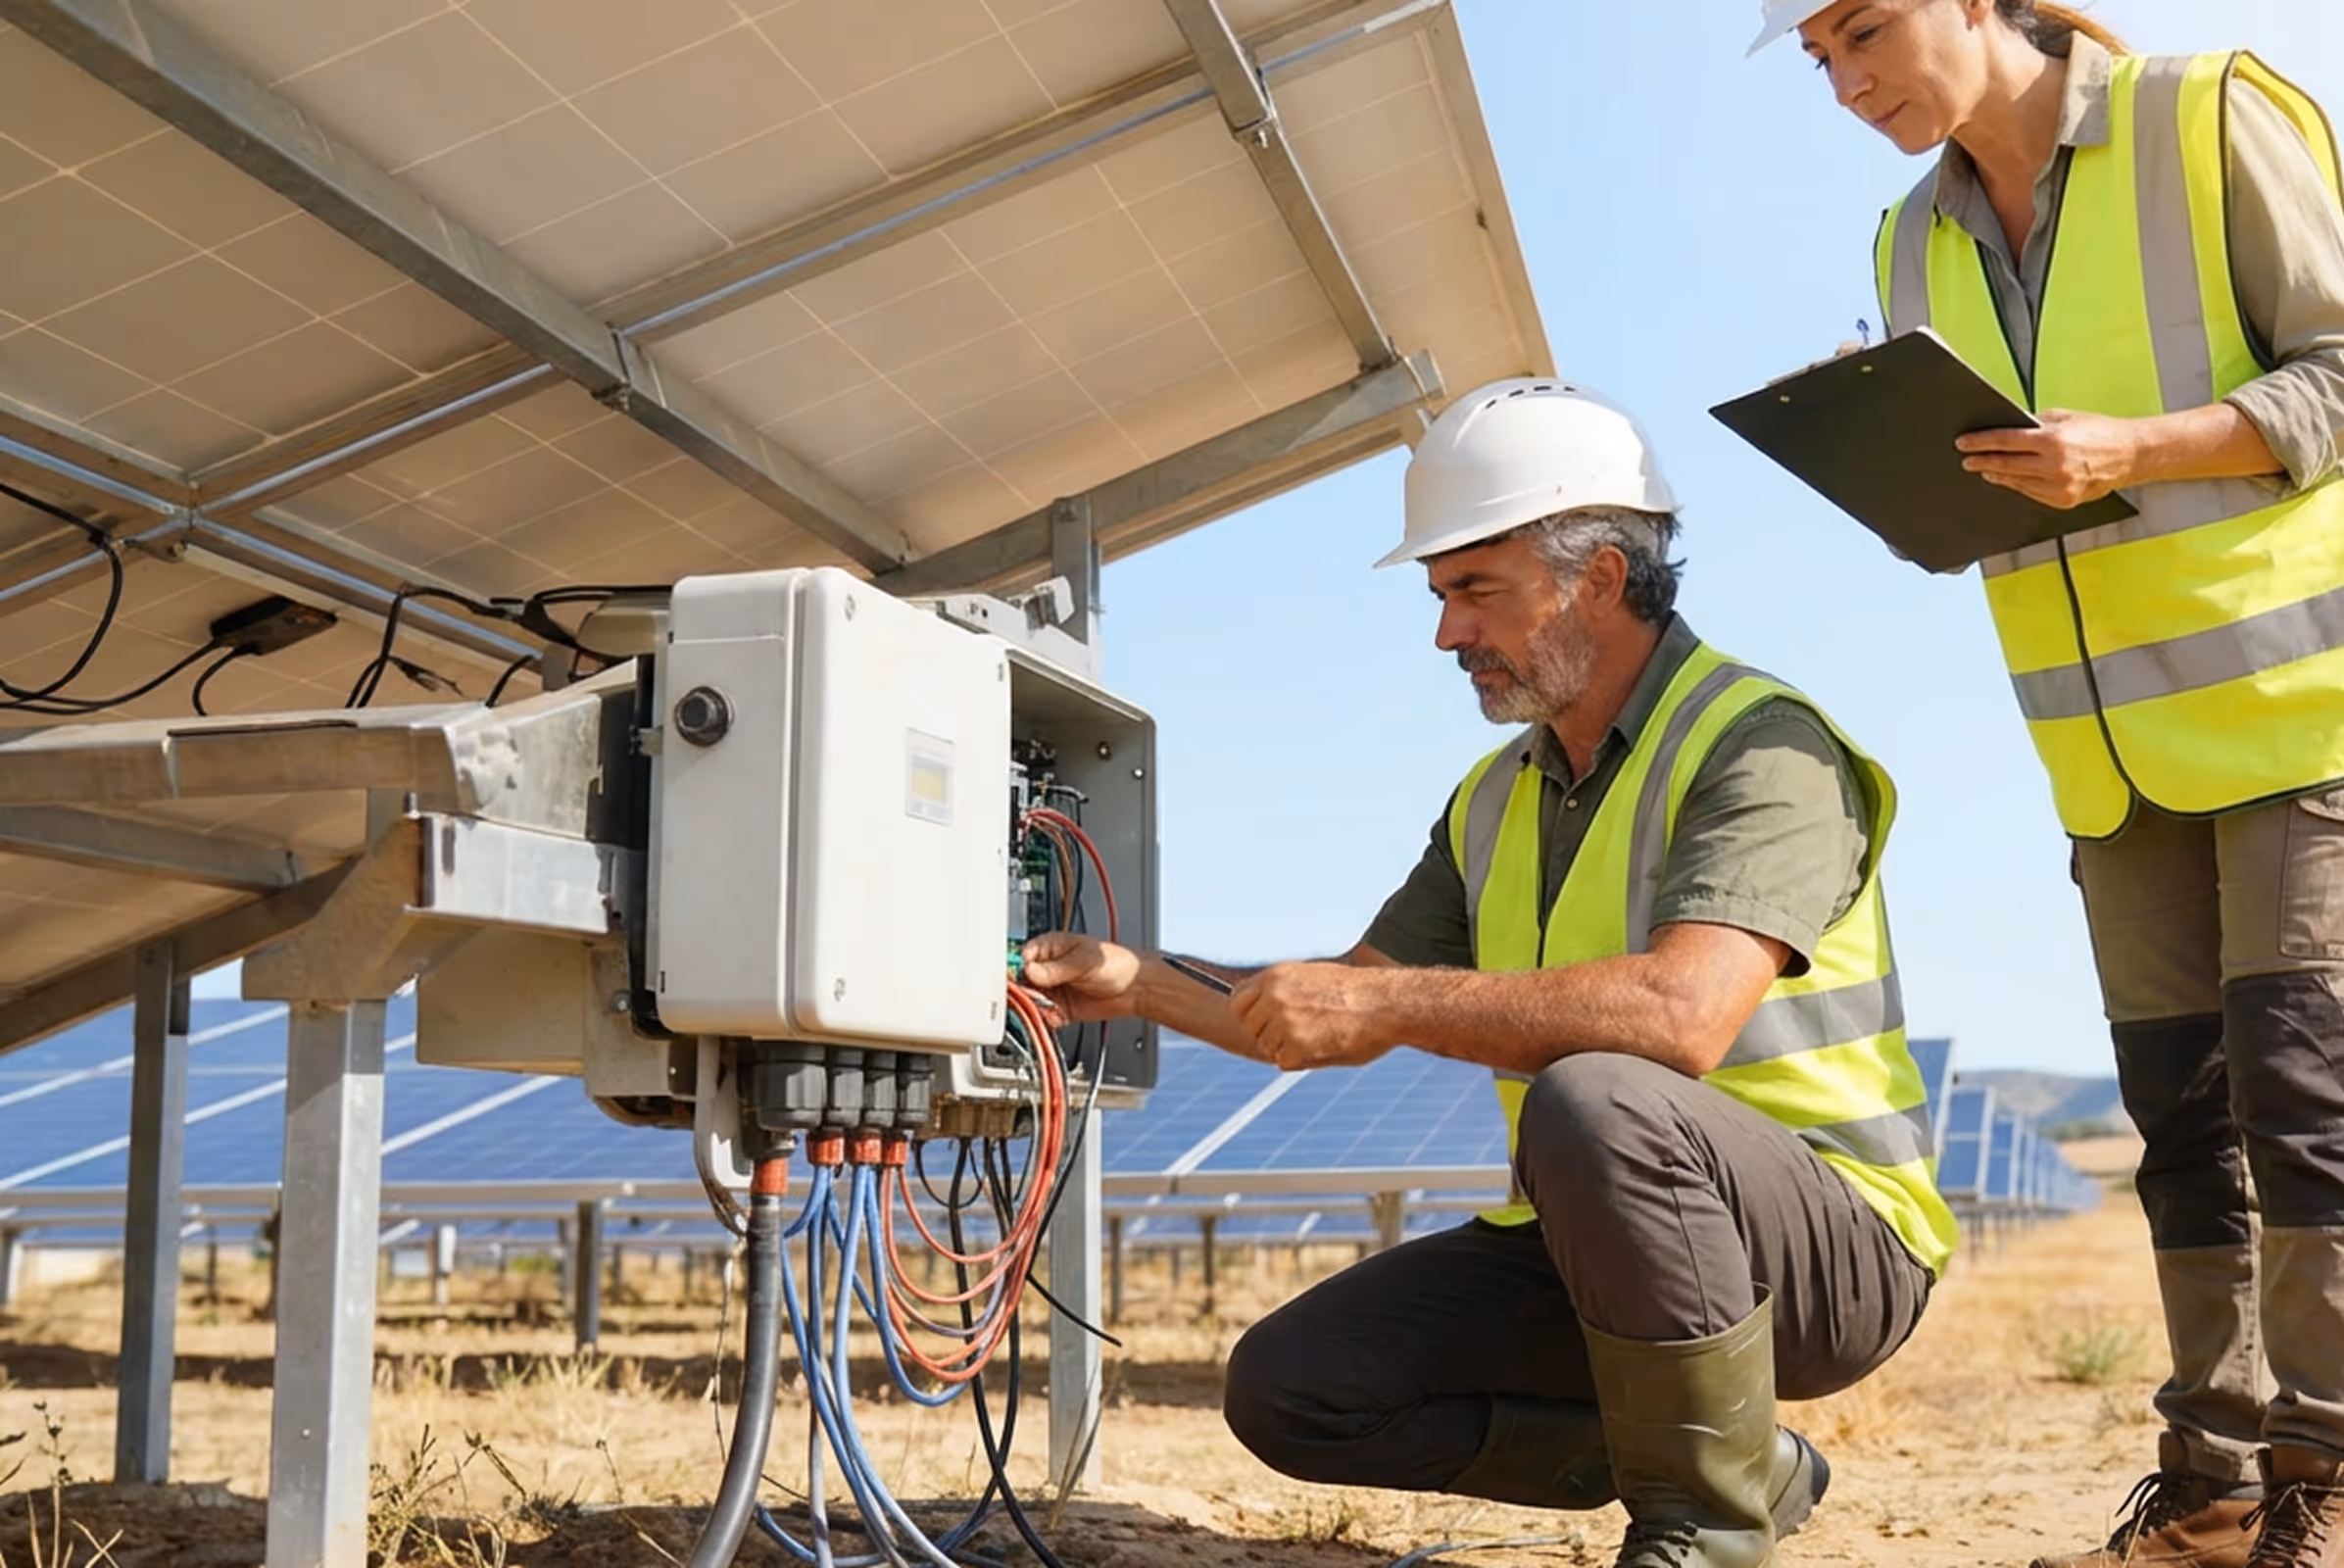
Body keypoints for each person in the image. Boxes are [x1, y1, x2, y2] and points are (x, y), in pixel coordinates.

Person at [1022, 380, 1956, 1568]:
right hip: (1605, 1234)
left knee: (1597, 1090)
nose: (1447, 633)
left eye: (1475, 590)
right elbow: (1330, 1007)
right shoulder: (1490, 801)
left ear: (1600, 579)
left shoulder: (1761, 746)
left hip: (1831, 1248)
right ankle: (1746, 1465)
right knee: (1294, 1386)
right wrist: (1137, 977)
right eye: (1441, 594)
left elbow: (1679, 1019)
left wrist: (1383, 1000)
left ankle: (1705, 1530)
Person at [1749, 2, 2344, 1564]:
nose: (1845, 80)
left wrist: (2131, 446)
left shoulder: (2205, 118)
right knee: (2183, 1121)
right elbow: (1993, 506)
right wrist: (1899, 449)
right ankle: (2214, 1490)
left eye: (1864, 30)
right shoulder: (1906, 242)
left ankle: (2328, 1488)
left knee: (2306, 1108)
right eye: (1816, 58)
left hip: (2298, 713)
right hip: (2101, 749)